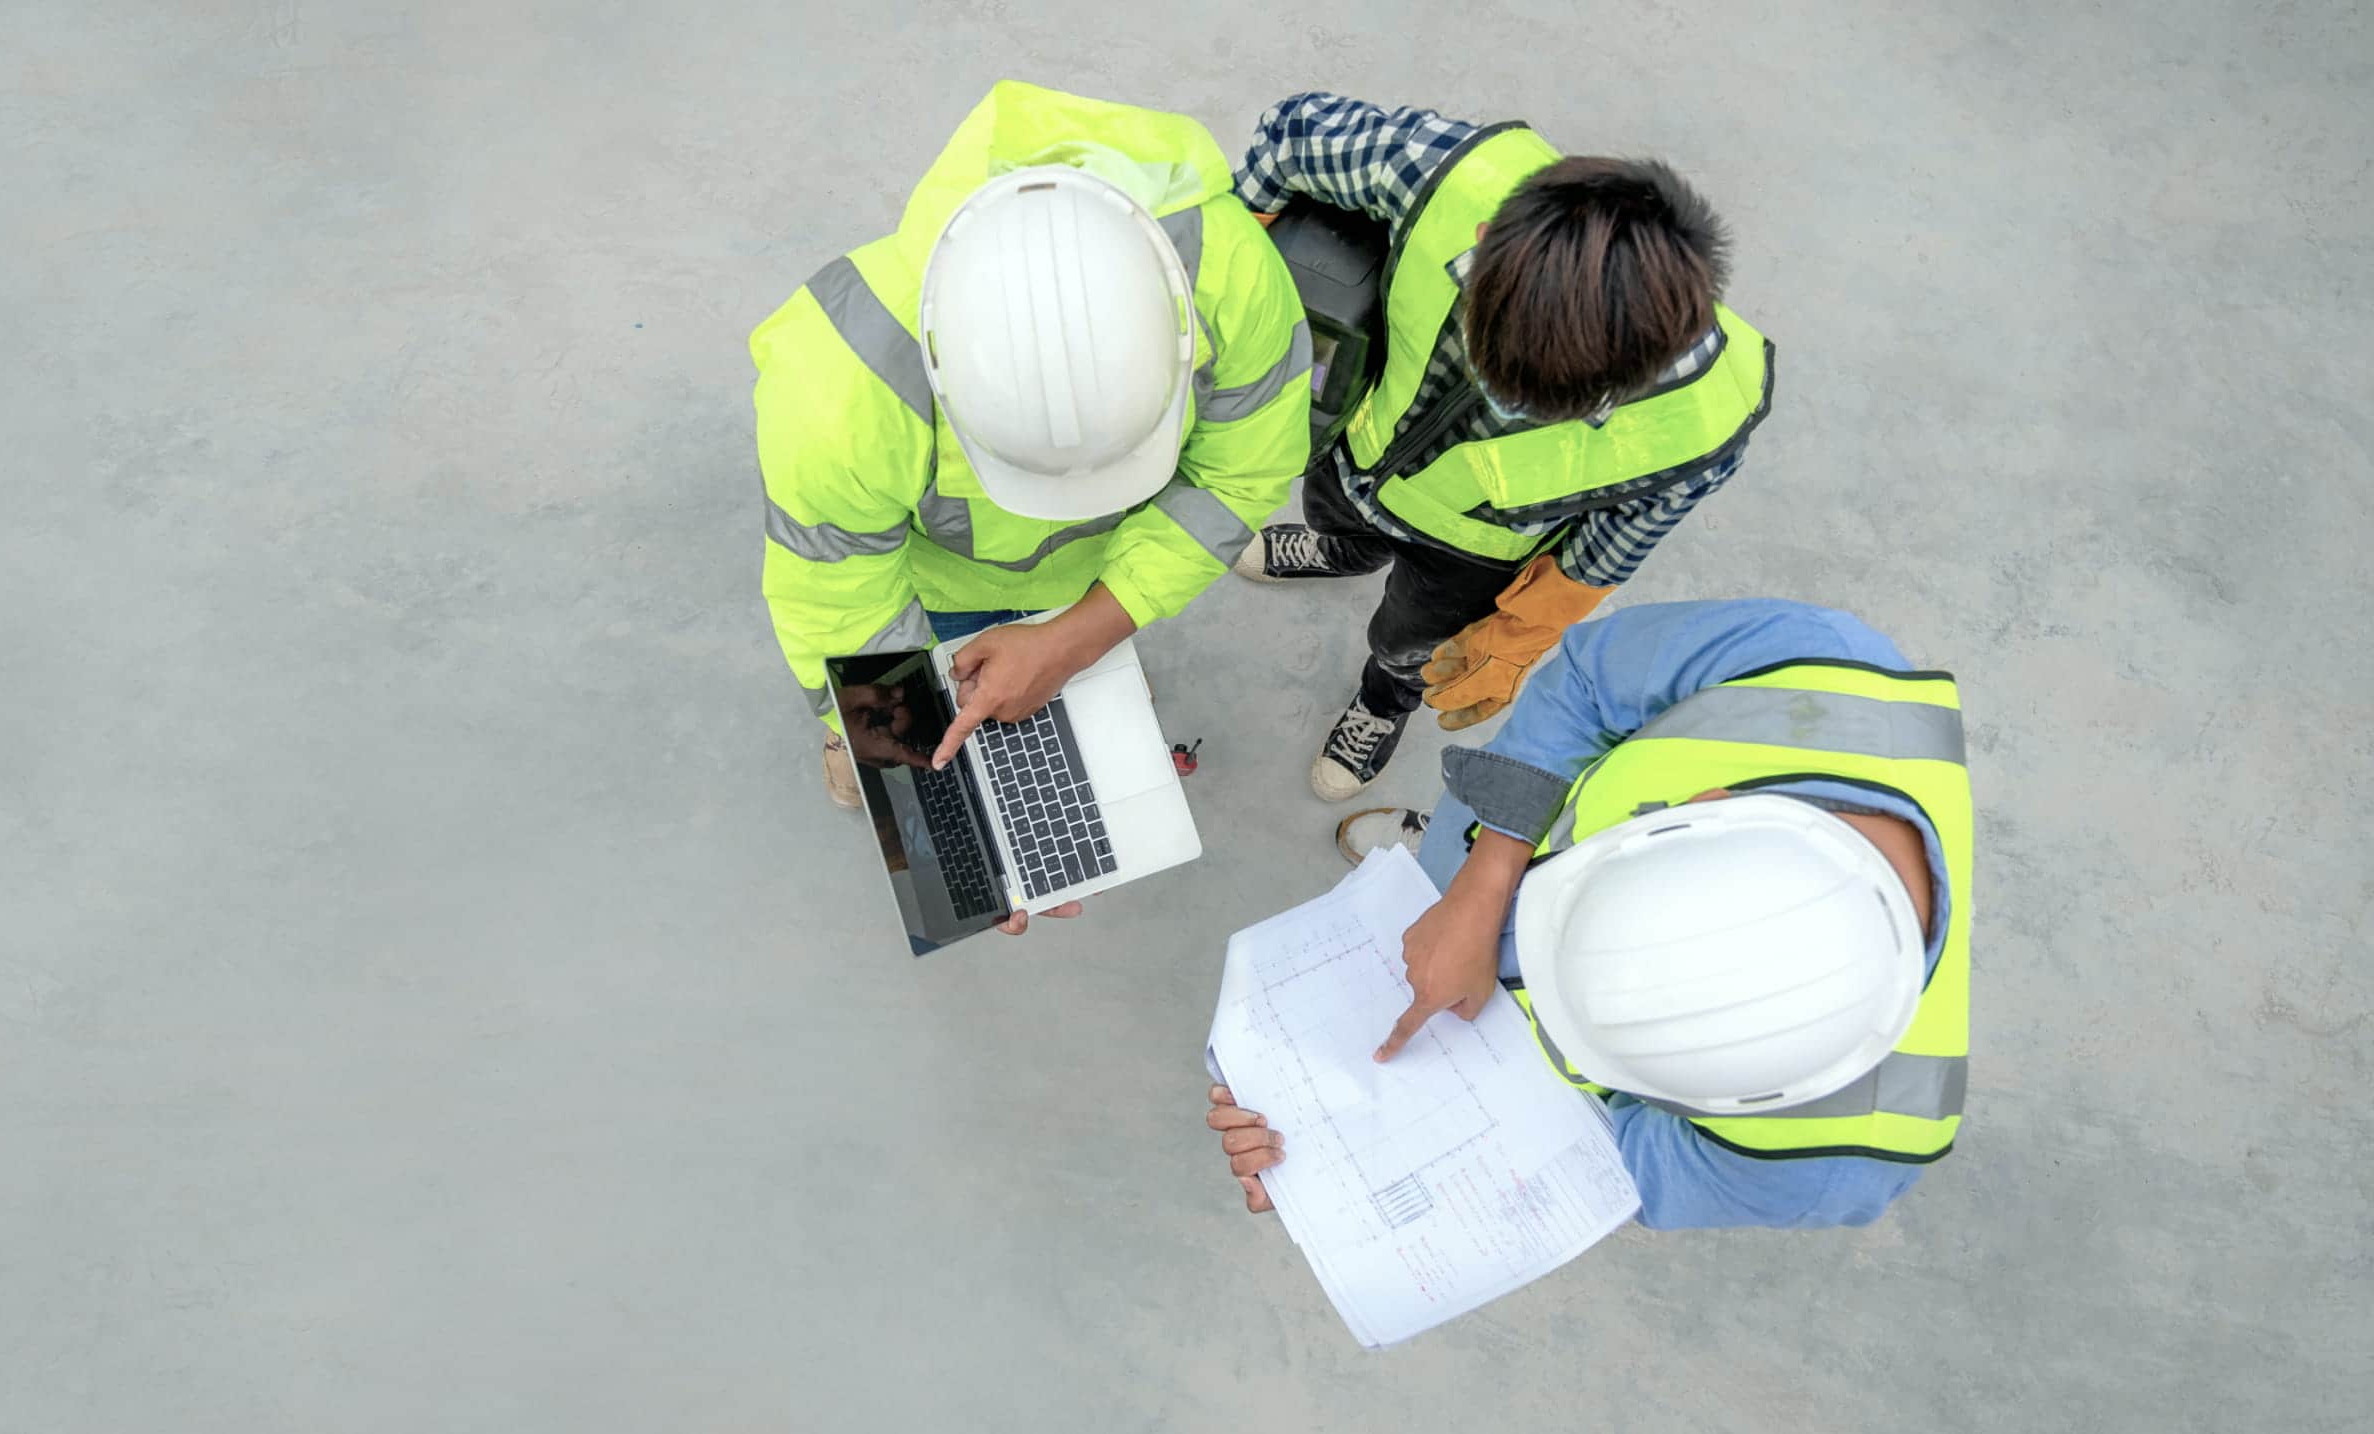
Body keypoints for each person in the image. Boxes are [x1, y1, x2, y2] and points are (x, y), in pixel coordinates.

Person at [1205, 600, 1972, 1229]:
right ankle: (1432, 855)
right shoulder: (1815, 666)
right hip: (1487, 854)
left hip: (1475, 1030)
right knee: (1455, 844)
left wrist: (1338, 1166)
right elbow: (1587, 684)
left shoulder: (1830, 1168)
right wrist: (1482, 877)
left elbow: (1587, 1172)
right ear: (1712, 805)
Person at [756, 81, 1324, 861]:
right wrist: (923, 775)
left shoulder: (1227, 276)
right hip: (933, 600)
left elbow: (1238, 480)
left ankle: (1087, 673)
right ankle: (864, 743)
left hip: (1100, 582)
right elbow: (839, 603)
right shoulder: (841, 382)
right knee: (903, 725)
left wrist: (1082, 636)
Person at [1225, 92, 1773, 803]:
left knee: (1408, 643)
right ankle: (1343, 550)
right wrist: (1228, 279)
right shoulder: (1445, 177)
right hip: (1355, 450)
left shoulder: (1702, 425)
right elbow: (1292, 135)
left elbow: (1608, 547)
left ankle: (1384, 703)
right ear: (1486, 239)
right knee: (1334, 513)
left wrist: (1518, 632)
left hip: (1469, 552)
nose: (1498, 400)